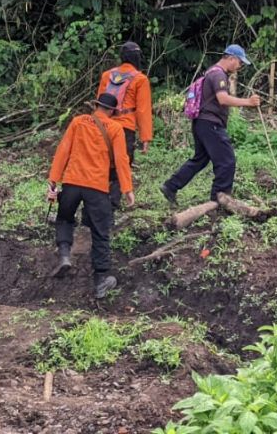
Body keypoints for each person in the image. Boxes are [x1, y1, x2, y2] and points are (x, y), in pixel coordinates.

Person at [49, 93, 136, 298]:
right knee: (100, 231)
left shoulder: (78, 122)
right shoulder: (115, 128)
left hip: (71, 182)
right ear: (113, 112)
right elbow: (122, 160)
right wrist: (127, 189)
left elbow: (63, 151)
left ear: (96, 106)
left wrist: (53, 179)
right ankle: (101, 281)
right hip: (97, 187)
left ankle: (64, 256)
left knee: (64, 219)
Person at [160, 45, 260, 206]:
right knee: (227, 161)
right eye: (240, 63)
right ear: (231, 58)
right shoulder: (218, 75)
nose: (239, 67)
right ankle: (219, 198)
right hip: (210, 124)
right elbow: (223, 99)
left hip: (201, 123)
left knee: (200, 159)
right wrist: (248, 102)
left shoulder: (211, 72)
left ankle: (171, 186)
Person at [96, 41, 153, 206]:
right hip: (125, 127)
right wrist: (145, 137)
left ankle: (97, 199)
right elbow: (143, 110)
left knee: (102, 162)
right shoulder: (140, 79)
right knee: (122, 163)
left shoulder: (107, 75)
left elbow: (100, 102)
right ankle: (112, 203)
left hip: (104, 125)